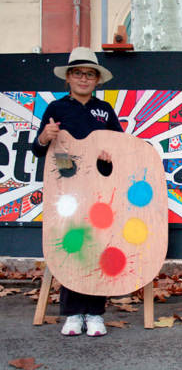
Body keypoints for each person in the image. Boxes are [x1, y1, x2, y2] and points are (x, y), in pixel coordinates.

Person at [32, 47, 123, 337]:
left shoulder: (104, 110)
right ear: (68, 78)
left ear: (97, 80)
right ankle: (72, 313)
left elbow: (119, 147)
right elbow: (38, 149)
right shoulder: (56, 109)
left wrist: (112, 154)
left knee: (97, 245)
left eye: (89, 74)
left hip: (98, 188)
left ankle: (95, 313)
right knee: (72, 245)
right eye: (78, 73)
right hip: (66, 189)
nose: (84, 78)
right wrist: (44, 137)